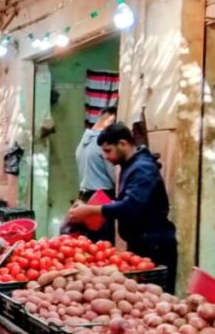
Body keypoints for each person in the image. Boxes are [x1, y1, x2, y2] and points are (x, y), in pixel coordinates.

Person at [67, 123, 178, 292]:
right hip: (140, 243)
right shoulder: (130, 166)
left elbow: (130, 206)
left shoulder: (143, 169)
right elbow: (124, 202)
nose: (105, 156)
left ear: (123, 144)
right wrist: (90, 207)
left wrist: (90, 211)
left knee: (154, 298)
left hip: (155, 244)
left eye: (108, 150)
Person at [69, 107, 118, 242]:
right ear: (111, 121)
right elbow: (115, 177)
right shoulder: (103, 145)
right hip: (102, 199)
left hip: (84, 196)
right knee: (103, 244)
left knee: (88, 242)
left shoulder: (83, 142)